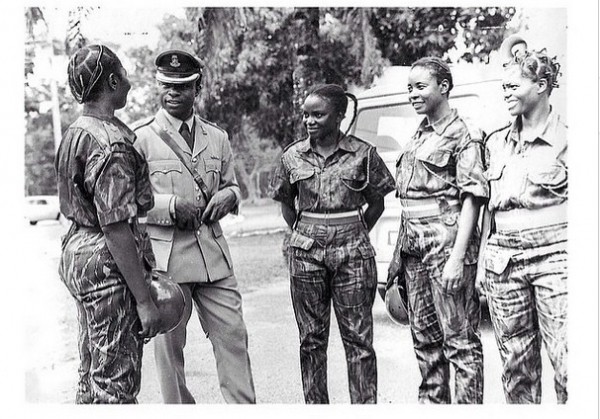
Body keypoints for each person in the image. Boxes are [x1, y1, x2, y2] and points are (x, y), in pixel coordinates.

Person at [132, 50, 255, 404]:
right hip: (167, 263)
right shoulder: (141, 138)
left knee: (234, 338)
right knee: (169, 355)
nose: (172, 92)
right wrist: (170, 206)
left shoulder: (217, 137)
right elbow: (129, 202)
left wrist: (231, 196)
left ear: (197, 88)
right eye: (166, 86)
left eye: (182, 87)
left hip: (213, 257)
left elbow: (231, 184)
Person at [269, 83, 395, 404]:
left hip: (353, 252)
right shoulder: (292, 156)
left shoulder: (364, 154)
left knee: (359, 340)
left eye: (318, 114)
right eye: (306, 115)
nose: (309, 121)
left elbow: (377, 202)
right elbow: (287, 204)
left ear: (339, 116)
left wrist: (352, 232)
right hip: (306, 254)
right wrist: (308, 234)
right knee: (311, 340)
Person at [55, 44, 162, 403]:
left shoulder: (75, 133)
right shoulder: (111, 144)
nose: (130, 83)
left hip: (77, 252)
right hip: (106, 265)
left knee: (91, 371)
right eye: (126, 76)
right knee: (116, 383)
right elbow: (116, 227)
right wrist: (144, 302)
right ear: (113, 81)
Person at [386, 57, 488, 403]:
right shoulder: (419, 133)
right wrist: (395, 262)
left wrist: (458, 259)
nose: (412, 94)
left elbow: (473, 198)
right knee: (425, 341)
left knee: (460, 341)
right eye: (409, 88)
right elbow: (407, 200)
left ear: (443, 87)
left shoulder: (463, 133)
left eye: (420, 87)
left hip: (446, 244)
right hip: (413, 245)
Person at [479, 41, 567, 404]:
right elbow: (488, 209)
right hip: (504, 263)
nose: (506, 94)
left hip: (558, 255)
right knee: (516, 368)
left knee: (569, 361)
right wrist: (482, 261)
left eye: (513, 87)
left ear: (542, 85)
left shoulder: (571, 137)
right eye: (503, 88)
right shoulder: (495, 142)